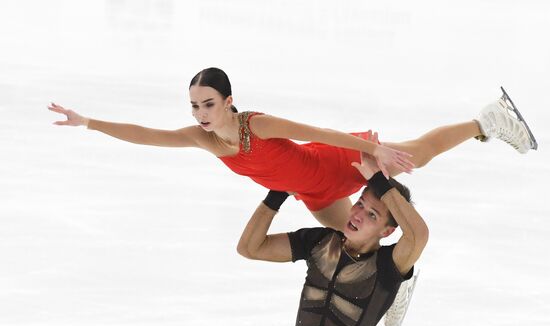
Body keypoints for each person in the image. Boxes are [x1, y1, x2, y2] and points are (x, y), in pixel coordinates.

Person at [47, 67, 536, 230]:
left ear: (228, 100)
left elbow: (318, 133)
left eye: (208, 104)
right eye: (194, 105)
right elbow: (146, 135)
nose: (199, 114)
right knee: (351, 238)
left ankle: (485, 120)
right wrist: (89, 122)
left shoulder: (256, 125)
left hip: (335, 159)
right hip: (313, 193)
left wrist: (372, 151)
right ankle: (398, 283)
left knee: (417, 155)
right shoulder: (202, 138)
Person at [237, 146, 427, 326]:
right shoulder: (320, 242)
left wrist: (377, 180)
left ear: (387, 231)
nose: (357, 215)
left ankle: (400, 285)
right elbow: (249, 248)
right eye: (360, 203)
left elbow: (417, 235)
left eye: (372, 215)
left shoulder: (386, 266)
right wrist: (278, 193)